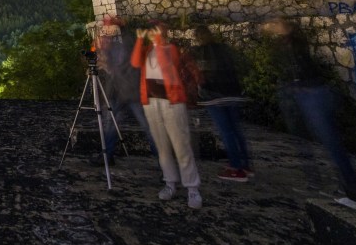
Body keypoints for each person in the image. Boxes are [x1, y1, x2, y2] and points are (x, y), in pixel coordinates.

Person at [262, 17, 356, 188]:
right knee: (301, 140)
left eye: (275, 23)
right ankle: (315, 179)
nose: (271, 26)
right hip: (295, 92)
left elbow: (298, 61)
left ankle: (350, 181)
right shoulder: (280, 44)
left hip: (311, 92)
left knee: (328, 138)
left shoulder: (296, 41)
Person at [131, 21, 204, 209]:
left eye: (154, 30)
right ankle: (169, 182)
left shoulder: (171, 49)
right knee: (162, 147)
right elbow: (135, 62)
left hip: (172, 102)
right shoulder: (147, 50)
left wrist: (158, 41)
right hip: (151, 102)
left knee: (181, 146)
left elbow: (167, 66)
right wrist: (139, 40)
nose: (151, 32)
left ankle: (192, 187)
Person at [94, 14, 157, 165]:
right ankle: (107, 156)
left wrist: (105, 58)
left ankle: (164, 164)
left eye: (108, 27)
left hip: (131, 91)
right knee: (111, 126)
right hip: (119, 92)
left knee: (147, 127)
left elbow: (119, 65)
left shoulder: (126, 42)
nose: (106, 30)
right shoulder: (118, 42)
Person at [192, 25, 252, 182]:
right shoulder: (224, 49)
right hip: (233, 93)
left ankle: (236, 168)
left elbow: (204, 74)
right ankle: (245, 165)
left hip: (215, 96)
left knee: (226, 132)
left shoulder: (201, 52)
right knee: (236, 130)